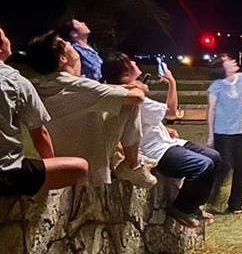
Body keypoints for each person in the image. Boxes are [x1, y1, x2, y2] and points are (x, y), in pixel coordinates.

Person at [23, 31, 156, 187]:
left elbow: (94, 88)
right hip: (89, 162)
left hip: (61, 157)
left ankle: (124, 158)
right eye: (67, 45)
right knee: (128, 104)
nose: (72, 46)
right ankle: (132, 165)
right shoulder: (78, 86)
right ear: (62, 59)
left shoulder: (46, 83)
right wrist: (139, 88)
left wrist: (124, 86)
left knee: (111, 102)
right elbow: (136, 98)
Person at [103, 52, 219, 227]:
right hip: (157, 150)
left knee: (214, 156)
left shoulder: (131, 91)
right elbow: (172, 112)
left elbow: (148, 121)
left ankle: (193, 206)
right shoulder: (133, 96)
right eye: (130, 62)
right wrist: (172, 82)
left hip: (168, 142)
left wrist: (165, 128)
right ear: (125, 75)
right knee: (202, 166)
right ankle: (181, 207)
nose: (135, 62)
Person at [1, 23, 89, 196]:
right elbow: (40, 134)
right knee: (80, 166)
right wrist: (48, 165)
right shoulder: (15, 81)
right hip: (7, 174)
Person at [206, 54, 242, 215]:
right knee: (224, 165)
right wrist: (210, 135)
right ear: (222, 68)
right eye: (228, 62)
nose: (233, 62)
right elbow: (211, 110)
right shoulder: (217, 85)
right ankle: (210, 196)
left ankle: (235, 204)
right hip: (222, 131)